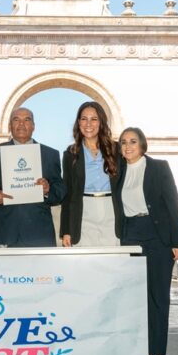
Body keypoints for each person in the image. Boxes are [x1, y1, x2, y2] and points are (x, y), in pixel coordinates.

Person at [116, 127, 178, 355]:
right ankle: (139, 348)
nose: (128, 146)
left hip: (158, 236)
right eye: (123, 142)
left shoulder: (158, 167)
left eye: (133, 141)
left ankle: (157, 351)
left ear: (142, 145)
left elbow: (173, 202)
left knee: (157, 297)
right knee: (135, 297)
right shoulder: (117, 171)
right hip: (130, 236)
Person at [0, 107, 66, 247]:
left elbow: (60, 190)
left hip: (38, 231)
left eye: (26, 120)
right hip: (2, 229)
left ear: (33, 126)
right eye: (16, 120)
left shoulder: (50, 154)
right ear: (10, 126)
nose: (21, 124)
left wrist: (48, 190)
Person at [60, 101, 121, 247]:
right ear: (78, 122)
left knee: (114, 258)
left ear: (101, 122)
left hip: (112, 210)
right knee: (86, 260)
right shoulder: (70, 154)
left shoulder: (116, 149)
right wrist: (66, 230)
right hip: (83, 213)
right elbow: (68, 194)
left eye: (94, 119)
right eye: (84, 119)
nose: (88, 124)